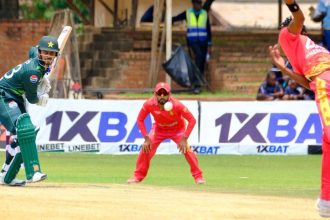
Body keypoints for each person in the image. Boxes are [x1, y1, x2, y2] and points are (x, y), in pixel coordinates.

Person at [268, 0, 330, 217]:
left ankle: (326, 201)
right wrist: (281, 66)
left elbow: (300, 19)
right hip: (322, 83)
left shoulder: (296, 40)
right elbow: (307, 82)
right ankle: (326, 201)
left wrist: (292, 4)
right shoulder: (293, 42)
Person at [0, 35, 59, 186]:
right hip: (4, 95)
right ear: (40, 52)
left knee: (24, 135)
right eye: (45, 52)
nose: (48, 56)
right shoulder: (33, 72)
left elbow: (31, 49)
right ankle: (33, 172)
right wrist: (42, 96)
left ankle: (6, 175)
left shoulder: (37, 58)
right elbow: (32, 99)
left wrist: (43, 78)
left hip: (15, 96)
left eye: (52, 53)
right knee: (24, 128)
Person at [127, 82, 205, 184]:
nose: (162, 96)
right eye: (159, 93)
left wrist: (184, 138)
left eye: (165, 93)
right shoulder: (149, 104)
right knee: (145, 148)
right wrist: (146, 138)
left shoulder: (177, 105)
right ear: (155, 94)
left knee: (187, 150)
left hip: (177, 129)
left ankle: (198, 177)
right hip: (159, 129)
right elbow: (140, 120)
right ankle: (137, 176)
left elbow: (192, 120)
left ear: (169, 94)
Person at [172, 0, 212, 94]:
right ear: (193, 4)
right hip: (192, 40)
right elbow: (176, 18)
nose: (199, 5)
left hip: (203, 41)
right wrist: (168, 19)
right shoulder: (188, 13)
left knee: (201, 61)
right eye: (197, 3)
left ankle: (198, 83)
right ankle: (196, 83)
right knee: (199, 56)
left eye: (200, 3)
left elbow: (208, 29)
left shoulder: (204, 13)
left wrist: (210, 43)